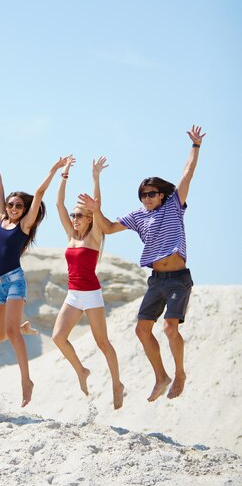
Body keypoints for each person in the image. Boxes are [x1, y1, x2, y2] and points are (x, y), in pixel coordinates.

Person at [79, 125, 206, 402]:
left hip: (178, 278)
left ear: (161, 194)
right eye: (143, 195)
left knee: (171, 327)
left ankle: (180, 373)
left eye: (151, 194)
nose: (146, 198)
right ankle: (161, 377)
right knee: (141, 329)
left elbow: (187, 173)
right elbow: (109, 228)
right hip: (156, 281)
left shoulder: (174, 204)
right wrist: (95, 211)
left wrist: (195, 147)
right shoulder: (137, 215)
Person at [0, 141, 69, 408]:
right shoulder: (1, 218)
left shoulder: (23, 226)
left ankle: (26, 381)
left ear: (25, 210)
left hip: (13, 281)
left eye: (18, 205)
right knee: (0, 334)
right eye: (10, 204)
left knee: (11, 334)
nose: (12, 208)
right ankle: (20, 326)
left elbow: (39, 192)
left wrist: (56, 168)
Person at [52, 155, 124, 410]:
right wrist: (65, 173)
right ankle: (82, 371)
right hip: (73, 295)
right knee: (58, 338)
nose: (75, 218)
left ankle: (117, 384)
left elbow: (97, 206)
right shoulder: (70, 236)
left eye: (80, 215)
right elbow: (59, 203)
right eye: (74, 215)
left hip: (92, 294)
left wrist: (96, 177)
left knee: (103, 343)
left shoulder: (95, 237)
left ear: (90, 219)